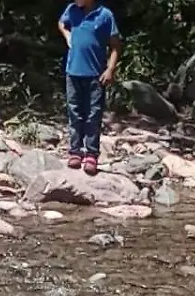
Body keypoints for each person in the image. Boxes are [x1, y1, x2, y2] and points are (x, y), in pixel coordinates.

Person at [57, 0, 121, 174]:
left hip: (95, 75)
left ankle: (91, 154)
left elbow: (115, 46)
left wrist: (110, 69)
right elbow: (62, 23)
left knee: (93, 115)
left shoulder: (105, 15)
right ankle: (75, 152)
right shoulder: (71, 10)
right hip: (73, 72)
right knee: (74, 112)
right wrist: (67, 35)